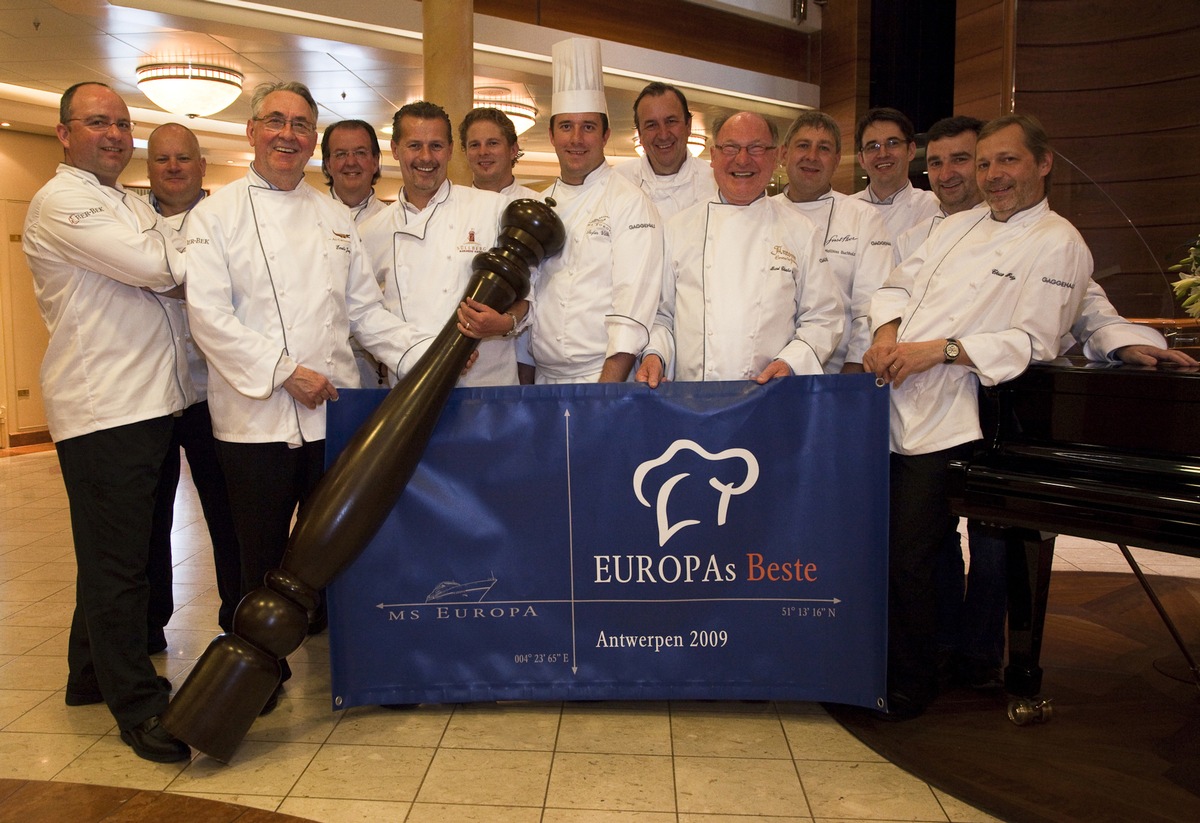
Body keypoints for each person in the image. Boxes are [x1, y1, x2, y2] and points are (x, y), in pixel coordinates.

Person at [904, 115, 1197, 689]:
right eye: (939, 164)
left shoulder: (1048, 236)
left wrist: (1126, 341)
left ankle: (980, 652)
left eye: (970, 160)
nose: (956, 174)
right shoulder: (947, 231)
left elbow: (1083, 302)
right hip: (928, 400)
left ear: (1038, 164)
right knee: (932, 539)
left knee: (994, 538)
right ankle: (940, 641)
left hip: (1003, 404)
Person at [184, 81, 416, 713]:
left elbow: (365, 314)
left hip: (331, 418)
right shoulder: (215, 215)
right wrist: (285, 370)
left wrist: (430, 353)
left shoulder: (332, 216)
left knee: (336, 548)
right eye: (275, 121)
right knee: (255, 556)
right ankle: (252, 679)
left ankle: (351, 659)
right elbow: (209, 317)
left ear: (311, 139)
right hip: (255, 418)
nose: (288, 134)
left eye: (300, 124)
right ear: (252, 131)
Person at [862, 114, 1091, 719]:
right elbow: (894, 288)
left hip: (964, 420)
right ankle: (919, 659)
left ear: (1043, 164)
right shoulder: (956, 227)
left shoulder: (1059, 241)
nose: (993, 175)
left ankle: (908, 686)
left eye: (1007, 161)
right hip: (894, 404)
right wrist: (887, 337)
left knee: (910, 558)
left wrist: (935, 351)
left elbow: (1034, 342)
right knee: (897, 553)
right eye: (985, 163)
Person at [23, 82, 190, 762]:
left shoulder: (124, 201)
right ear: (65, 133)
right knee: (118, 565)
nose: (115, 133)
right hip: (104, 411)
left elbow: (163, 267)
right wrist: (183, 257)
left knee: (131, 555)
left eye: (122, 123)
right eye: (98, 122)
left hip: (149, 404)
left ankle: (89, 674)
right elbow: (157, 266)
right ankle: (139, 706)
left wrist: (173, 260)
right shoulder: (61, 201)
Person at [637, 111, 842, 386]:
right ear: (714, 156)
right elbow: (662, 314)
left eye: (756, 148)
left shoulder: (801, 232)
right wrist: (655, 355)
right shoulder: (678, 228)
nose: (742, 159)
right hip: (694, 396)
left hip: (768, 396)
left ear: (774, 156)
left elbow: (823, 316)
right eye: (731, 148)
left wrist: (790, 362)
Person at [143, 123, 242, 639]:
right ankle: (152, 619)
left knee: (227, 518)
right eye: (163, 160)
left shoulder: (227, 220)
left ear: (203, 165)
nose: (175, 167)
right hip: (151, 398)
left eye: (185, 158)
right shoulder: (128, 223)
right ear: (149, 168)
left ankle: (237, 620)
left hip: (213, 395)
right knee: (150, 519)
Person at [531, 37, 663, 384]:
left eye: (588, 127)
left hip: (601, 378)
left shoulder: (630, 202)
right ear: (551, 134)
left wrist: (604, 394)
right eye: (565, 126)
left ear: (605, 135)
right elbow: (528, 296)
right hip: (544, 379)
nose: (576, 139)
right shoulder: (538, 205)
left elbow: (633, 304)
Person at [360, 101, 519, 386]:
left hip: (486, 386)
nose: (426, 157)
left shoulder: (493, 209)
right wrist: (411, 353)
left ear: (449, 149)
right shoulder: (372, 231)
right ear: (395, 149)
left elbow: (532, 289)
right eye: (414, 146)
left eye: (435, 146)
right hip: (413, 388)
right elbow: (363, 312)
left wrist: (505, 323)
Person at [775, 111, 893, 374]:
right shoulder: (764, 212)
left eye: (824, 148)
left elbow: (871, 304)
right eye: (803, 145)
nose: (812, 157)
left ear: (837, 160)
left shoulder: (863, 217)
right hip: (766, 368)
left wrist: (854, 368)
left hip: (838, 371)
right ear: (784, 154)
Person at [459, 106, 541, 384]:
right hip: (468, 358)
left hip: (531, 354)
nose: (483, 152)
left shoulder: (537, 206)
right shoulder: (452, 209)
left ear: (513, 148)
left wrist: (508, 322)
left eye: (493, 143)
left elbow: (545, 286)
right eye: (474, 145)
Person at [321, 119, 390, 388]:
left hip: (382, 365)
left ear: (375, 161)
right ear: (327, 164)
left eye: (361, 153)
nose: (351, 162)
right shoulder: (309, 218)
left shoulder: (396, 224)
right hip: (323, 365)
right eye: (340, 154)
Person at [613, 82, 717, 220]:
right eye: (651, 125)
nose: (663, 135)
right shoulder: (617, 181)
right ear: (640, 134)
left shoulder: (716, 182)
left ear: (688, 125)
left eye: (671, 121)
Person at [852, 107, 940, 242]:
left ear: (911, 151)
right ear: (861, 159)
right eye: (872, 146)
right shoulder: (845, 209)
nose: (883, 154)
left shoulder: (933, 207)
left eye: (892, 143)